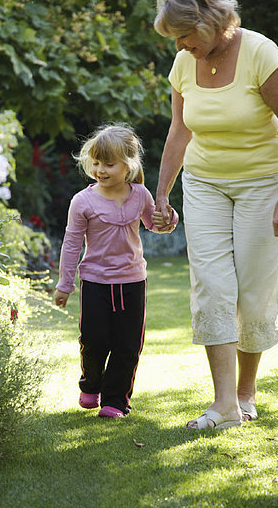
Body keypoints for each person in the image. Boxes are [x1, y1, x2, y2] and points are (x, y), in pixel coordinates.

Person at [152, 0, 278, 430]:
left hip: (265, 182)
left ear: (210, 22)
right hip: (205, 181)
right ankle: (225, 405)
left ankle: (246, 393)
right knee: (212, 287)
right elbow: (180, 129)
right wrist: (162, 193)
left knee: (252, 292)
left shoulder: (261, 54)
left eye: (185, 36)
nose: (180, 47)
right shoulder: (184, 64)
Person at [54, 124, 177, 418]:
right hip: (95, 282)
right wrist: (64, 283)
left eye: (109, 164)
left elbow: (155, 225)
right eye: (96, 163)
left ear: (129, 165)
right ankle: (91, 383)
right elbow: (71, 244)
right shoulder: (82, 201)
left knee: (128, 345)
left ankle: (115, 401)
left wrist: (168, 217)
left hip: (132, 282)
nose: (101, 169)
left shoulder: (141, 195)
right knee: (94, 340)